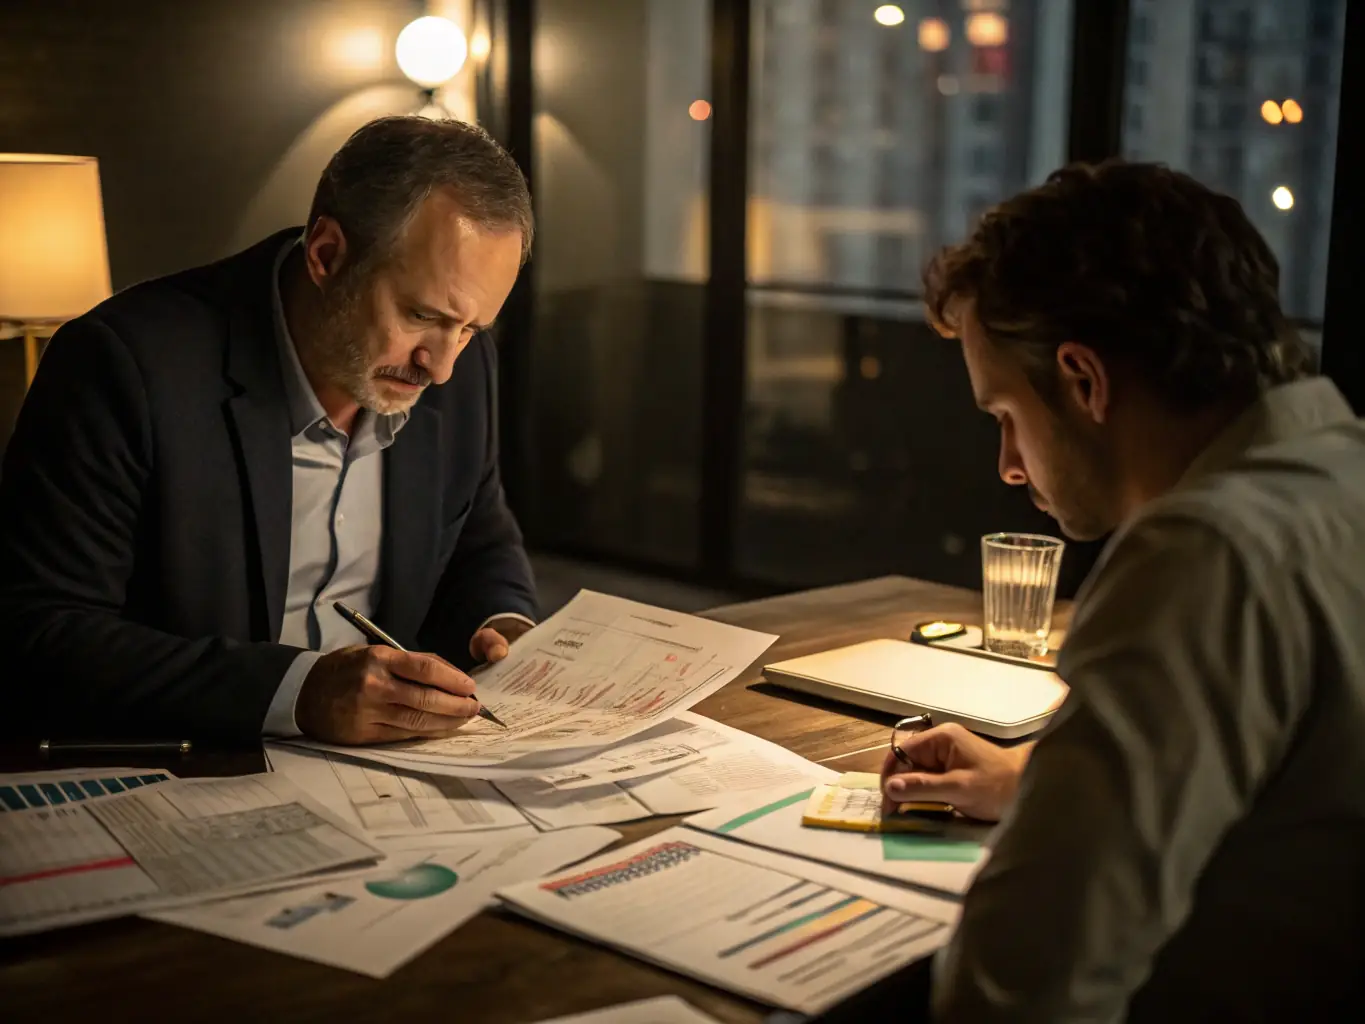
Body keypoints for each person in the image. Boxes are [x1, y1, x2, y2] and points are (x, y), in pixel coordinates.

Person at [881, 162, 1365, 1021]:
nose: (1008, 466)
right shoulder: (1338, 480)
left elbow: (1024, 988)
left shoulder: (1204, 553)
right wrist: (1040, 787)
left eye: (1004, 417)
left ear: (1082, 380)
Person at [0, 117, 540, 745]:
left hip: (398, 771)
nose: (442, 367)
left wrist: (511, 629)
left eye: (472, 328)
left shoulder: (466, 366)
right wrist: (295, 692)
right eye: (422, 315)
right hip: (185, 763)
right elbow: (36, 629)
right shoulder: (123, 364)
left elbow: (480, 536)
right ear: (327, 255)